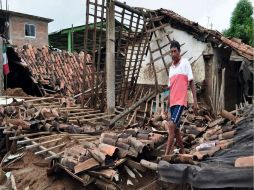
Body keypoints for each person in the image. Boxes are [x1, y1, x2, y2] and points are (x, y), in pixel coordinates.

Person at [165, 40, 197, 155]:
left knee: (171, 126)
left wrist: (195, 102)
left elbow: (192, 82)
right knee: (176, 130)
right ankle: (183, 151)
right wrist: (167, 106)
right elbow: (170, 89)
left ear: (179, 51)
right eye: (171, 52)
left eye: (175, 51)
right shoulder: (171, 69)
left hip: (180, 101)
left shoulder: (185, 63)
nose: (173, 54)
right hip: (172, 103)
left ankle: (165, 155)